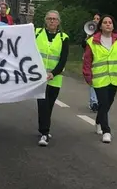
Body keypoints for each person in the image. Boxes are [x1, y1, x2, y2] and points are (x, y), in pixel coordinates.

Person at [83, 14, 117, 144]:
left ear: (113, 26)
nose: (108, 24)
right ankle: (106, 131)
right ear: (100, 26)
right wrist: (88, 76)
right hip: (99, 79)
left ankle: (99, 121)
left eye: (110, 22)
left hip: (114, 78)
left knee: (108, 103)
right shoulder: (92, 41)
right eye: (105, 22)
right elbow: (87, 60)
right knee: (103, 103)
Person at [34, 10, 69, 146]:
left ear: (58, 22)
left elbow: (63, 60)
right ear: (45, 20)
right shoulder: (37, 33)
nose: (52, 21)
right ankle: (44, 133)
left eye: (54, 19)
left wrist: (53, 73)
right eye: (49, 19)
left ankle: (43, 128)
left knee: (49, 106)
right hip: (39, 78)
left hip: (55, 78)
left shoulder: (63, 38)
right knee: (42, 104)